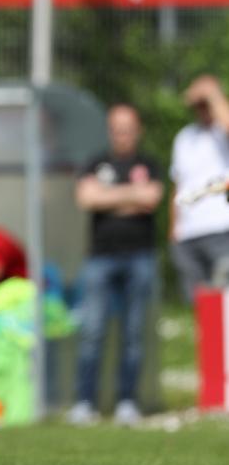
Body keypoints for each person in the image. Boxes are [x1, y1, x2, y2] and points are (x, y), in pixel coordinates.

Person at [67, 105, 163, 426]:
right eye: (116, 128)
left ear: (138, 130)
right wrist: (130, 196)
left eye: (127, 128)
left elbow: (150, 199)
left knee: (133, 333)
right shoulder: (96, 162)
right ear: (110, 130)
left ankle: (127, 402)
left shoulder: (149, 164)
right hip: (100, 257)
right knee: (92, 330)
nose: (122, 134)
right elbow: (86, 199)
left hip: (140, 256)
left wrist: (109, 196)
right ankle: (84, 403)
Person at [170, 75, 229, 301]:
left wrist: (212, 93)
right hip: (189, 235)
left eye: (206, 102)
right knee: (202, 306)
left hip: (222, 230)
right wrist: (174, 231)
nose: (202, 108)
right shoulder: (184, 137)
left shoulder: (221, 132)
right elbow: (178, 185)